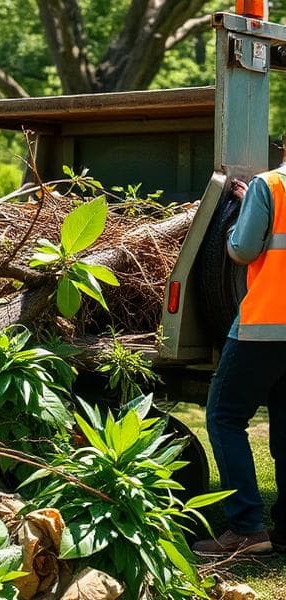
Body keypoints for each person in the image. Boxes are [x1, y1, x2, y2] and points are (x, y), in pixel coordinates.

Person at [192, 161, 286, 556]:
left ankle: (247, 527)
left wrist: (243, 217)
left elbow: (243, 250)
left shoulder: (270, 186)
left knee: (224, 417)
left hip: (265, 325)